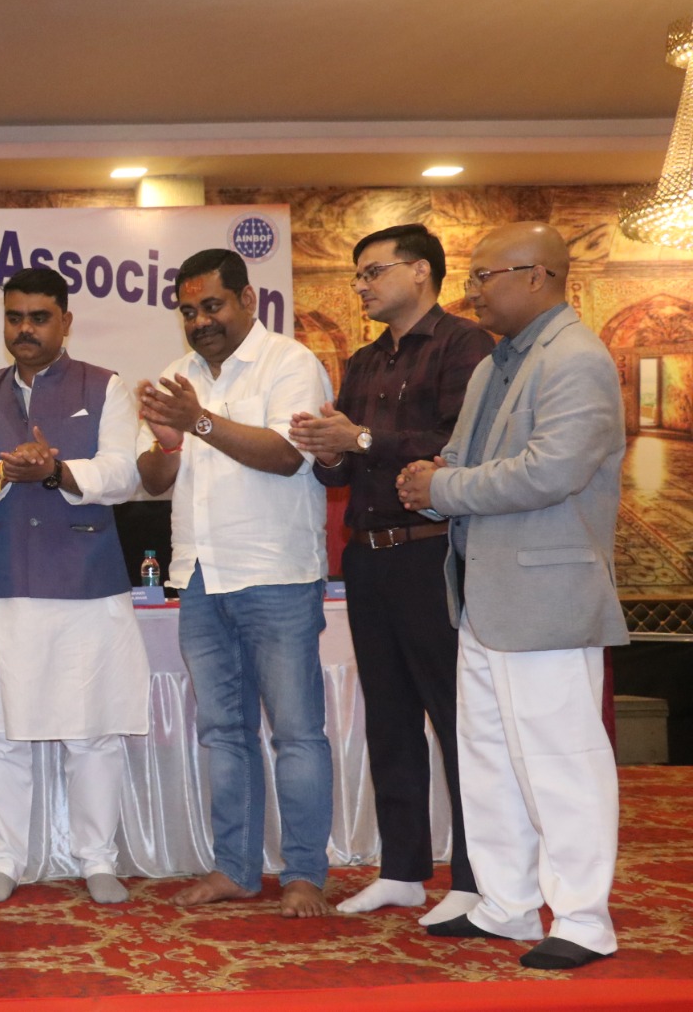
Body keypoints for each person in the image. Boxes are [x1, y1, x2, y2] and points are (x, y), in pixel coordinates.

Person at [397, 222, 627, 971]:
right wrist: (432, 481)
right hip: (483, 594)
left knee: (560, 760)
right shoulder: (496, 364)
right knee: (490, 757)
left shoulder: (577, 358)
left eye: (483, 276)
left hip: (546, 595)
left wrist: (445, 487)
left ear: (537, 276)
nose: (471, 291)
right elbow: (462, 458)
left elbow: (551, 470)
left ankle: (584, 919)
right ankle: (507, 902)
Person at [289, 224, 491, 923]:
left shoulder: (465, 346)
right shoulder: (365, 360)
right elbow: (343, 469)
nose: (361, 286)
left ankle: (476, 876)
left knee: (456, 718)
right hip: (368, 556)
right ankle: (403, 870)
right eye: (358, 275)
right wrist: (327, 449)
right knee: (390, 717)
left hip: (432, 552)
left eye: (372, 272)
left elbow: (460, 446)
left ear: (421, 271)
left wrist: (362, 438)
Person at [0, 267, 147, 905]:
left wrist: (56, 469)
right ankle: (3, 859)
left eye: (39, 317)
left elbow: (125, 473)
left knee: (93, 730)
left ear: (65, 321)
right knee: (1, 731)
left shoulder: (104, 386)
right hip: (3, 580)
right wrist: (3, 472)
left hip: (88, 582)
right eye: (14, 317)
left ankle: (97, 858)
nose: (24, 329)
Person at [135, 248, 335, 919]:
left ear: (248, 300)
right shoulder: (179, 376)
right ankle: (236, 869)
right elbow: (153, 481)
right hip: (199, 575)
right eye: (188, 311)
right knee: (224, 732)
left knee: (297, 733)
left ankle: (304, 873)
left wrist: (197, 421)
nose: (200, 322)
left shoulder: (290, 363)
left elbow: (286, 456)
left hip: (275, 573)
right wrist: (167, 440)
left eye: (212, 306)